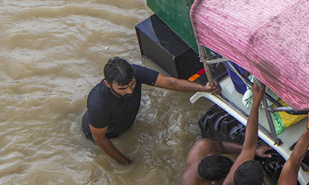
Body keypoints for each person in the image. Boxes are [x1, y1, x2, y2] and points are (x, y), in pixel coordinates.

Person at [82, 57, 220, 166]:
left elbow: (170, 83)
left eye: (131, 85)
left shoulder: (135, 72)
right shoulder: (98, 104)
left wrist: (203, 88)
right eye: (122, 88)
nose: (129, 91)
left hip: (125, 119)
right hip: (106, 133)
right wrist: (125, 162)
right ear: (108, 84)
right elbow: (100, 139)